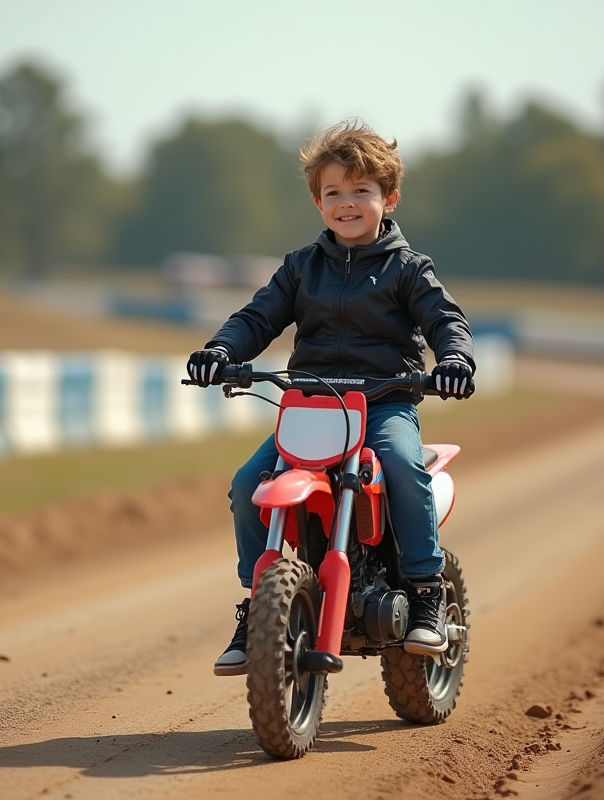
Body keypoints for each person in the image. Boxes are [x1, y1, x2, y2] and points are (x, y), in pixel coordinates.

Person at [186, 120, 475, 677]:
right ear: (318, 201)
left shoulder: (408, 269)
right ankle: (257, 607)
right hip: (311, 409)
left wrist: (456, 360)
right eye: (334, 193)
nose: (347, 203)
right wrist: (220, 349)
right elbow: (258, 317)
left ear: (388, 198)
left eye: (361, 191)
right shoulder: (301, 268)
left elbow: (446, 320)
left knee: (402, 468)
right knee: (249, 484)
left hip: (386, 403)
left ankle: (425, 591)